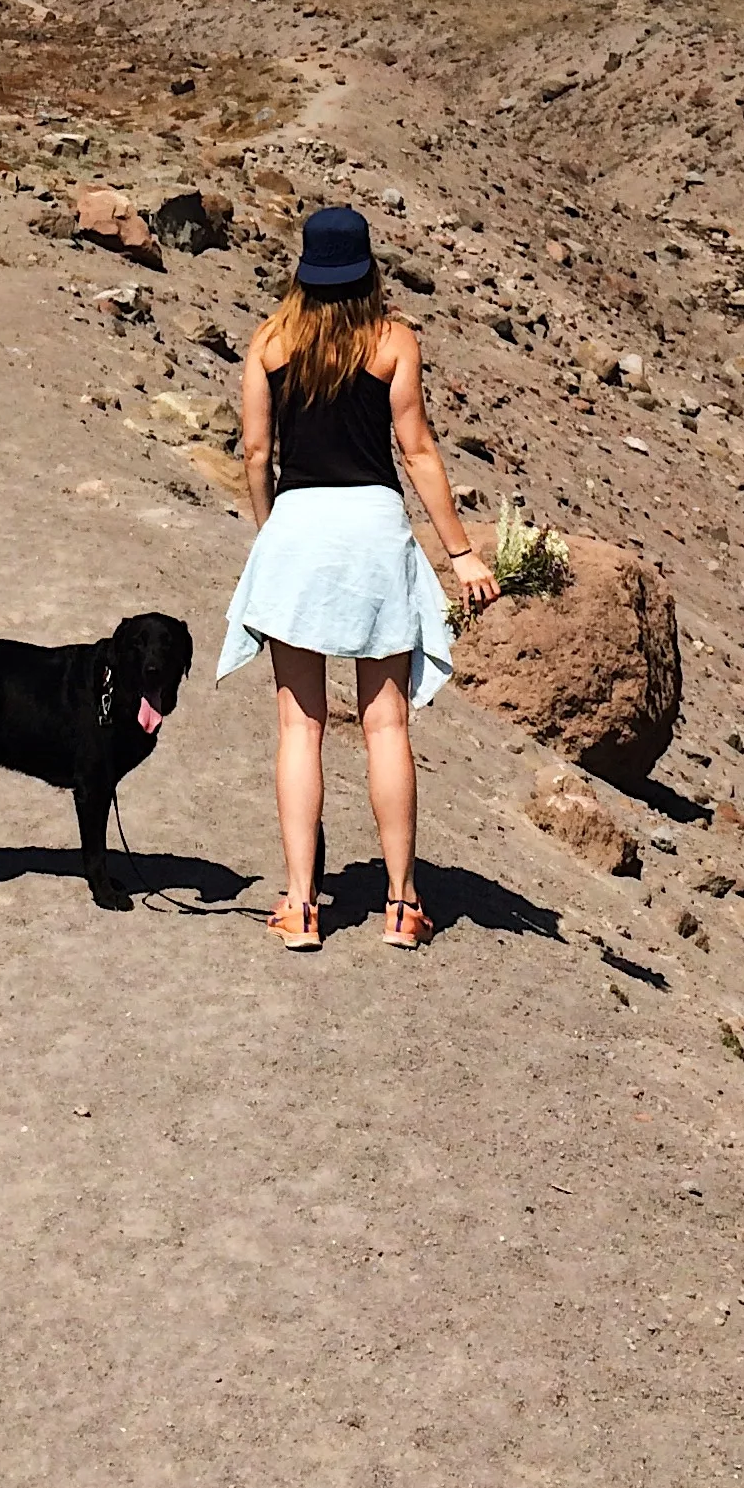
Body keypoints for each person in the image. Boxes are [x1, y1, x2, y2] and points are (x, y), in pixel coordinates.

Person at [216, 205, 499, 949]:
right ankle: (403, 907)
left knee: (298, 726)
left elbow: (254, 452)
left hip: (300, 526)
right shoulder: (392, 339)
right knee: (385, 725)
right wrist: (461, 552)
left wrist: (267, 530)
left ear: (303, 273)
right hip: (373, 531)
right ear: (369, 269)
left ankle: (300, 905)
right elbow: (420, 450)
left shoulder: (271, 342)